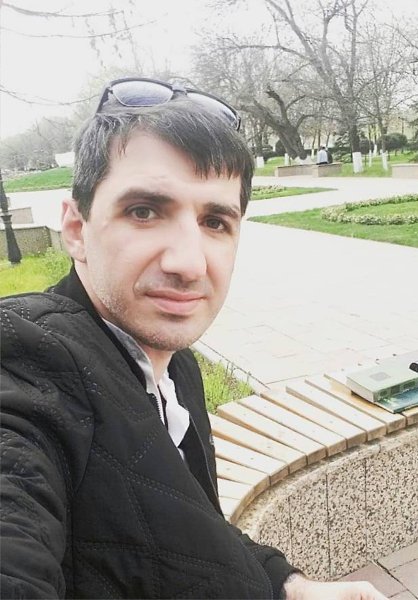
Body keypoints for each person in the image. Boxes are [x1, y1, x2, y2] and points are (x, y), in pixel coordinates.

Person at [1, 77, 387, 599]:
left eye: (215, 221)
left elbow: (187, 525)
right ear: (75, 228)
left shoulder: (174, 365)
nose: (188, 264)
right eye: (144, 211)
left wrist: (290, 585)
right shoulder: (26, 362)